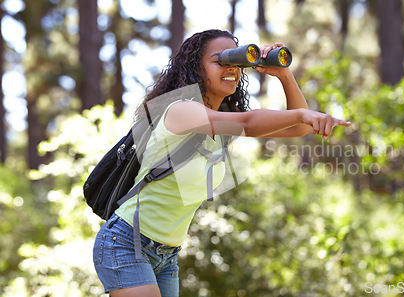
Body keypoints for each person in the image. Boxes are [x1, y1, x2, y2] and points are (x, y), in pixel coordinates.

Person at [93, 29, 351, 297]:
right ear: (196, 67)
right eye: (220, 61)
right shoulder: (181, 111)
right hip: (124, 242)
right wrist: (302, 113)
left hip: (166, 255)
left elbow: (298, 129)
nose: (232, 69)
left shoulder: (221, 124)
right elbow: (251, 123)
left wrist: (284, 75)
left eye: (236, 63)